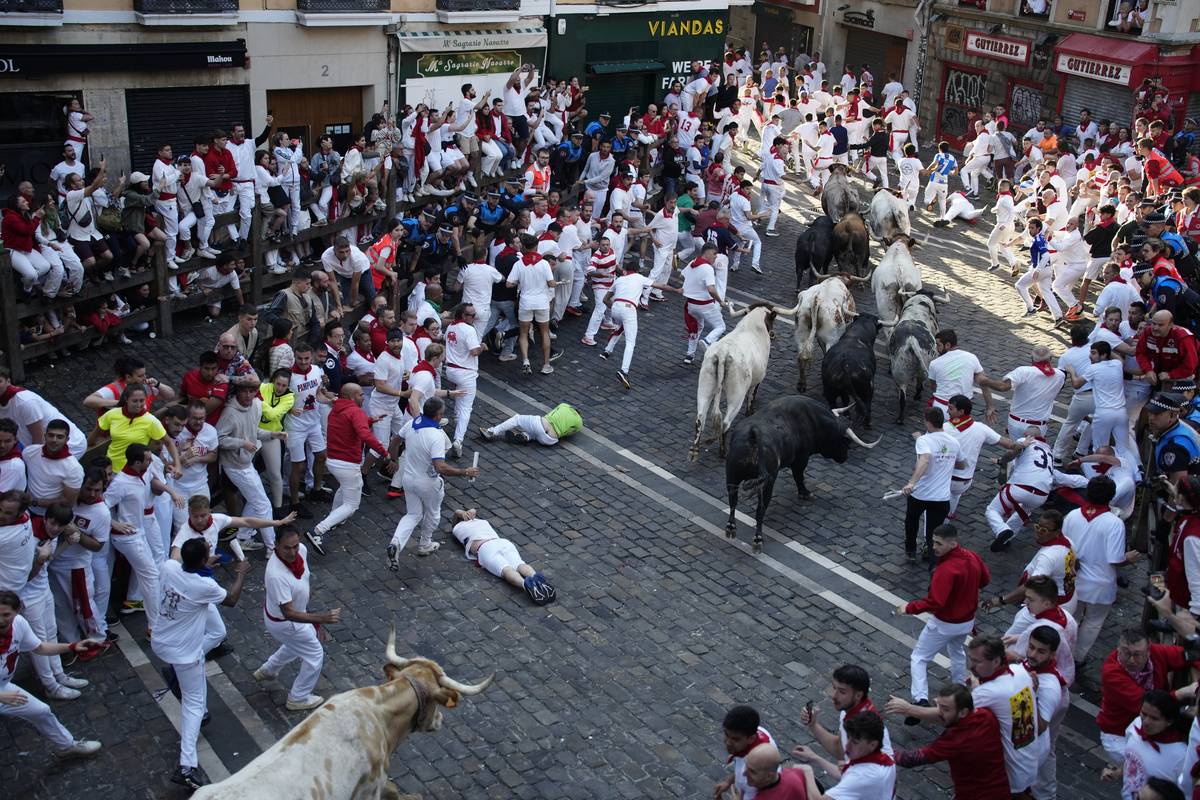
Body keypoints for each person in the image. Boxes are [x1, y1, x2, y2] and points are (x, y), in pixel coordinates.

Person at [155, 537, 252, 790]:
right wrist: (240, 573)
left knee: (210, 641)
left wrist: (203, 563)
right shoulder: (203, 585)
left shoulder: (169, 568)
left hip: (161, 640)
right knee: (195, 705)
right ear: (200, 560)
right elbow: (230, 599)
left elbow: (186, 569)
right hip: (184, 652)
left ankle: (176, 675)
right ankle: (187, 766)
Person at [889, 635, 1040, 796]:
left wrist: (908, 709)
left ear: (996, 661)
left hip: (1011, 770)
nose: (971, 665)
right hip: (1030, 759)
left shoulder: (979, 705)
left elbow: (915, 757)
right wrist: (978, 683)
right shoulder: (1020, 671)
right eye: (971, 659)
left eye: (977, 662)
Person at [896, 525, 988, 725]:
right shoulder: (973, 557)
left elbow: (935, 602)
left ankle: (920, 699)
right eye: (933, 541)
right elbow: (984, 581)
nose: (934, 547)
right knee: (956, 652)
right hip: (966, 622)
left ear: (952, 544)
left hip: (944, 623)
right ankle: (959, 690)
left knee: (919, 657)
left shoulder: (945, 570)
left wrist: (910, 607)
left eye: (939, 543)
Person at [0, 589, 102, 759]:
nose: (1, 620)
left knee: (41, 711)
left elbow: (39, 647)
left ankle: (66, 746)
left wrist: (71, 647)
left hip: (4, 688)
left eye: (6, 614)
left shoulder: (19, 623)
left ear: (16, 611)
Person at [386, 398, 480, 569]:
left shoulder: (413, 424)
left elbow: (394, 442)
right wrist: (465, 472)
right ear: (438, 415)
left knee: (413, 514)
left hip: (408, 479)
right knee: (433, 513)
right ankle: (425, 544)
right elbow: (440, 467)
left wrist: (394, 460)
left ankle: (396, 542)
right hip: (427, 483)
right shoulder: (436, 436)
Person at [252, 524, 337, 711]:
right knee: (314, 654)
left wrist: (305, 593)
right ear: (276, 545)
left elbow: (301, 579)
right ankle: (298, 698)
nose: (292, 552)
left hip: (286, 618)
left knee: (298, 644)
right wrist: (321, 618)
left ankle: (268, 670)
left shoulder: (302, 551)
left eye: (295, 546)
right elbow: (288, 612)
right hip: (286, 622)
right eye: (287, 548)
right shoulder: (276, 576)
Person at [1096, 628, 1200, 765]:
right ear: (1118, 649)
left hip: (1150, 727)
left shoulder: (1157, 653)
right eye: (1125, 653)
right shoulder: (1112, 674)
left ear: (1148, 651)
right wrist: (1183, 692)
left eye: (1138, 655)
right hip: (1119, 734)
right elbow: (1151, 705)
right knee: (1148, 772)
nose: (1132, 660)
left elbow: (1191, 655)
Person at [309, 384, 391, 554]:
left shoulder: (336, 411)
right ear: (352, 397)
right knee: (352, 504)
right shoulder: (356, 412)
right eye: (361, 395)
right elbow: (365, 435)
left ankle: (334, 518)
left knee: (344, 488)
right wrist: (385, 453)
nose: (364, 397)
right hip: (348, 464)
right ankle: (318, 531)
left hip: (333, 461)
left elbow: (351, 425)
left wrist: (370, 420)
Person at [892, 683, 1010, 800]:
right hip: (1002, 791)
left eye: (946, 709)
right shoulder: (988, 716)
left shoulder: (956, 740)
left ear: (963, 712)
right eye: (939, 706)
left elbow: (910, 759)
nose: (939, 713)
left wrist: (880, 749)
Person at [1069, 476, 1140, 663]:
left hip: (1074, 579)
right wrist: (1129, 559)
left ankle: (1065, 651)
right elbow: (1115, 559)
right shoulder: (1114, 523)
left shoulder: (1072, 515)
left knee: (1072, 619)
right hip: (1100, 584)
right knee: (1093, 622)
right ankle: (1077, 657)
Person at [216, 382, 284, 552]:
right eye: (244, 391)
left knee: (254, 501)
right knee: (263, 504)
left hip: (246, 462)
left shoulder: (256, 405)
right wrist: (241, 443)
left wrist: (272, 434)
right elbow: (218, 438)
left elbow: (253, 430)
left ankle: (243, 537)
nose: (247, 395)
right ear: (238, 392)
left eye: (251, 391)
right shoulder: (229, 413)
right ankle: (272, 547)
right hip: (235, 465)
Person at [599, 261, 683, 389]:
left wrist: (617, 309)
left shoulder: (619, 279)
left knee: (620, 327)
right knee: (630, 342)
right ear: (637, 271)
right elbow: (661, 286)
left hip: (615, 307)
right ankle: (623, 371)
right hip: (628, 308)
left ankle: (607, 351)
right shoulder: (640, 278)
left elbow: (605, 299)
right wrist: (677, 290)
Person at [449, 509, 555, 604]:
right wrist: (469, 511)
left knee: (505, 569)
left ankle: (525, 585)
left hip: (485, 547)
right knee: (519, 564)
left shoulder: (458, 529)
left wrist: (457, 513)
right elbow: (473, 510)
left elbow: (454, 524)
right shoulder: (482, 522)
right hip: (502, 542)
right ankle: (535, 577)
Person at [900, 407, 964, 563]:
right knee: (933, 535)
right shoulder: (954, 442)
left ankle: (911, 550)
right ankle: (934, 566)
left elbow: (925, 460)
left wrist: (911, 482)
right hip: (941, 498)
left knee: (912, 521)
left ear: (928, 423)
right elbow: (962, 465)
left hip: (920, 494)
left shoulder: (924, 440)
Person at [1102, 690, 1188, 800]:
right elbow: (1131, 757)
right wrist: (1117, 772)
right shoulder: (1137, 723)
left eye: (1154, 718)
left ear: (1169, 721)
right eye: (1144, 714)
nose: (1146, 722)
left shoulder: (1181, 756)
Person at [799, 664, 893, 763]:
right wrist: (813, 724)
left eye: (842, 692)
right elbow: (840, 750)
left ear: (858, 695)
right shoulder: (848, 711)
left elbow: (890, 769)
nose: (833, 695)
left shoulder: (870, 730)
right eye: (834, 688)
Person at [793, 710, 896, 800]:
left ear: (873, 745)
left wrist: (807, 771)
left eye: (855, 742)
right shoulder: (882, 759)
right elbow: (845, 776)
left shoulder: (860, 777)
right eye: (848, 737)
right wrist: (814, 757)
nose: (847, 744)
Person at [943, 395, 1016, 518]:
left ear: (961, 411)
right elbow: (1008, 443)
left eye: (950, 408)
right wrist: (1024, 444)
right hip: (964, 482)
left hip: (944, 479)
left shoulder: (943, 429)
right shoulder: (981, 428)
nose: (947, 411)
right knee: (954, 498)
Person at [986, 426, 1055, 552]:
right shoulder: (1049, 451)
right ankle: (1006, 538)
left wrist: (1001, 461)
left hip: (1020, 486)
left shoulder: (1025, 440)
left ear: (1026, 434)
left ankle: (1002, 530)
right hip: (1042, 495)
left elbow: (1011, 455)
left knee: (992, 510)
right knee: (1024, 511)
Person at [286, 343, 334, 518]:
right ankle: (294, 503)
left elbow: (319, 393)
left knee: (321, 455)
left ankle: (316, 488)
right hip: (296, 426)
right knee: (297, 465)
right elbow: (279, 400)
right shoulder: (288, 377)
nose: (304, 362)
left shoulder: (316, 370)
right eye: (300, 358)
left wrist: (329, 400)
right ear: (295, 357)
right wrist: (290, 410)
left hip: (313, 422)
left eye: (307, 358)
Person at [978, 345, 1066, 438]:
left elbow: (1003, 387)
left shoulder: (1023, 372)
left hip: (1018, 423)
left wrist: (985, 381)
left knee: (1015, 450)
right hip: (1040, 426)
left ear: (1032, 358)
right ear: (1051, 358)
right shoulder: (1060, 376)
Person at [1022, 626, 1069, 800]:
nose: (1033, 655)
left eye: (1041, 651)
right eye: (1031, 647)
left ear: (1052, 655)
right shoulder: (1031, 664)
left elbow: (1040, 727)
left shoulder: (1048, 688)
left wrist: (1030, 696)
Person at [506, 234, 560, 376]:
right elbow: (551, 283)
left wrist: (520, 282)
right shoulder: (544, 264)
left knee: (523, 333)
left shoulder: (519, 264)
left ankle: (525, 360)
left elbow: (509, 283)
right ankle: (546, 365)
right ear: (537, 247)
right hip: (542, 302)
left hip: (525, 302)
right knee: (544, 333)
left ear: (523, 247)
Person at [444, 303, 484, 458]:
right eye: (472, 315)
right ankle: (458, 440)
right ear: (463, 316)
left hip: (451, 370)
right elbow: (474, 351)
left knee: (459, 401)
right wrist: (482, 347)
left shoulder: (451, 327)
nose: (474, 318)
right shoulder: (468, 329)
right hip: (465, 372)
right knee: (466, 407)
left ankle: (456, 419)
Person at [681, 244, 725, 364]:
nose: (716, 257)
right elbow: (711, 289)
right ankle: (708, 341)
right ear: (707, 254)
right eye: (715, 254)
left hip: (691, 305)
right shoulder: (707, 268)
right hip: (704, 305)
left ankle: (689, 355)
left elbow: (681, 276)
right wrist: (721, 301)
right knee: (720, 326)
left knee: (696, 328)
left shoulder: (692, 263)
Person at [479, 403, 583, 446]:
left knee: (517, 419)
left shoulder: (564, 405)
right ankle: (526, 437)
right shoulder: (579, 423)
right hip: (550, 440)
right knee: (535, 434)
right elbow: (568, 434)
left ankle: (492, 431)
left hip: (540, 425)